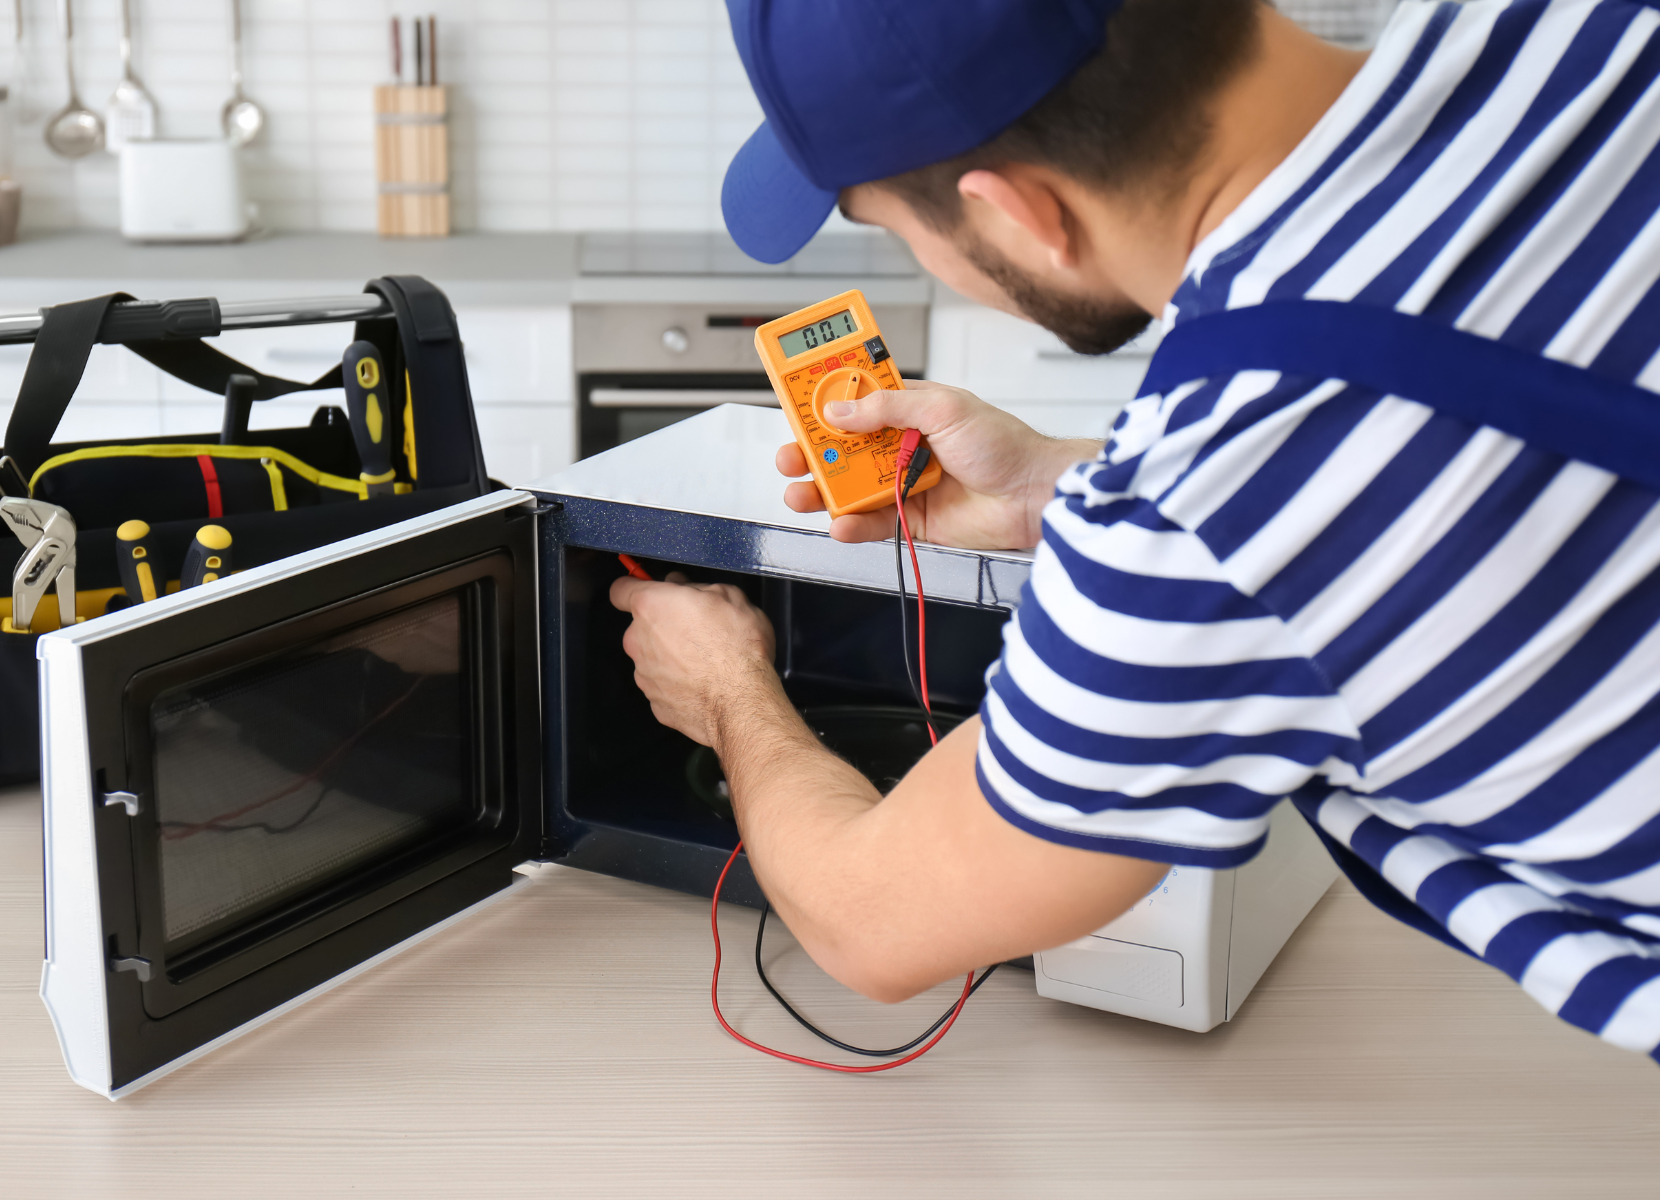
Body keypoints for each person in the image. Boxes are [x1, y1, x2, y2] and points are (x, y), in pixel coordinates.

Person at [608, 0, 1660, 1062]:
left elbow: (868, 924)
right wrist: (1063, 488)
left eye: (901, 231)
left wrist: (727, 688)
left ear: (1022, 215)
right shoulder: (1581, 26)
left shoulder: (1199, 522)